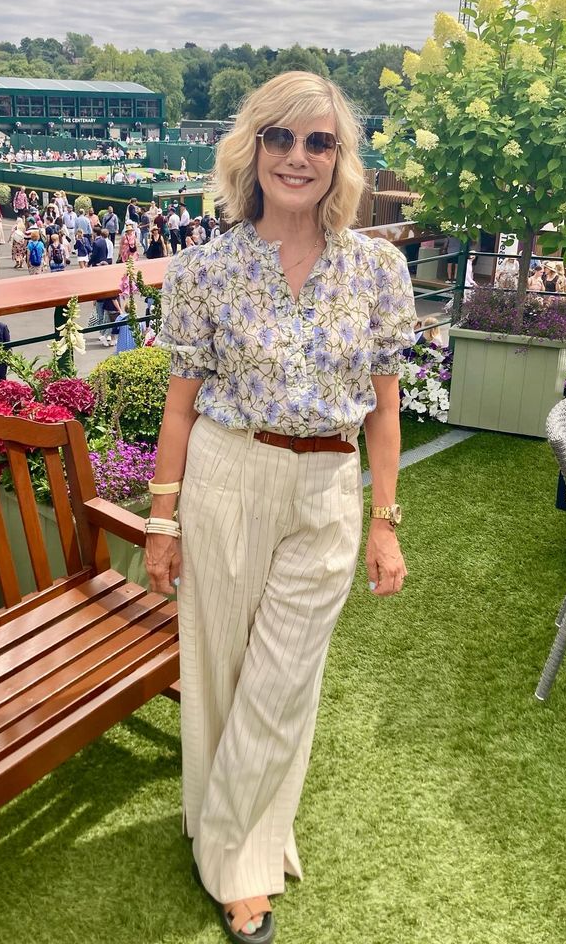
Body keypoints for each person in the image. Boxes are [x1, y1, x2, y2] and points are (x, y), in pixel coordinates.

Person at [147, 71, 416, 943]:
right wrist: (160, 518)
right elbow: (180, 408)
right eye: (280, 139)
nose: (297, 157)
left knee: (281, 680)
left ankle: (231, 858)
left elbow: (383, 407)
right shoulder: (201, 271)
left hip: (329, 488)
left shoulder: (377, 266)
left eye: (319, 142)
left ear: (341, 160)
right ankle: (239, 834)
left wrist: (384, 523)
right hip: (227, 477)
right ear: (251, 149)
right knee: (222, 672)